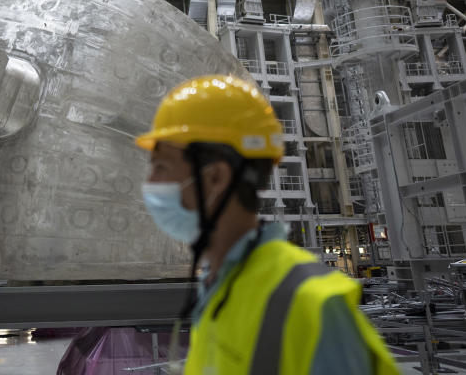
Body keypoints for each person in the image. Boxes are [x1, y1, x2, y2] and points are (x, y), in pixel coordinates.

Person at [136, 74, 399, 375]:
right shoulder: (219, 290)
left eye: (160, 167)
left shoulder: (310, 305)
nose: (150, 183)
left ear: (215, 177)